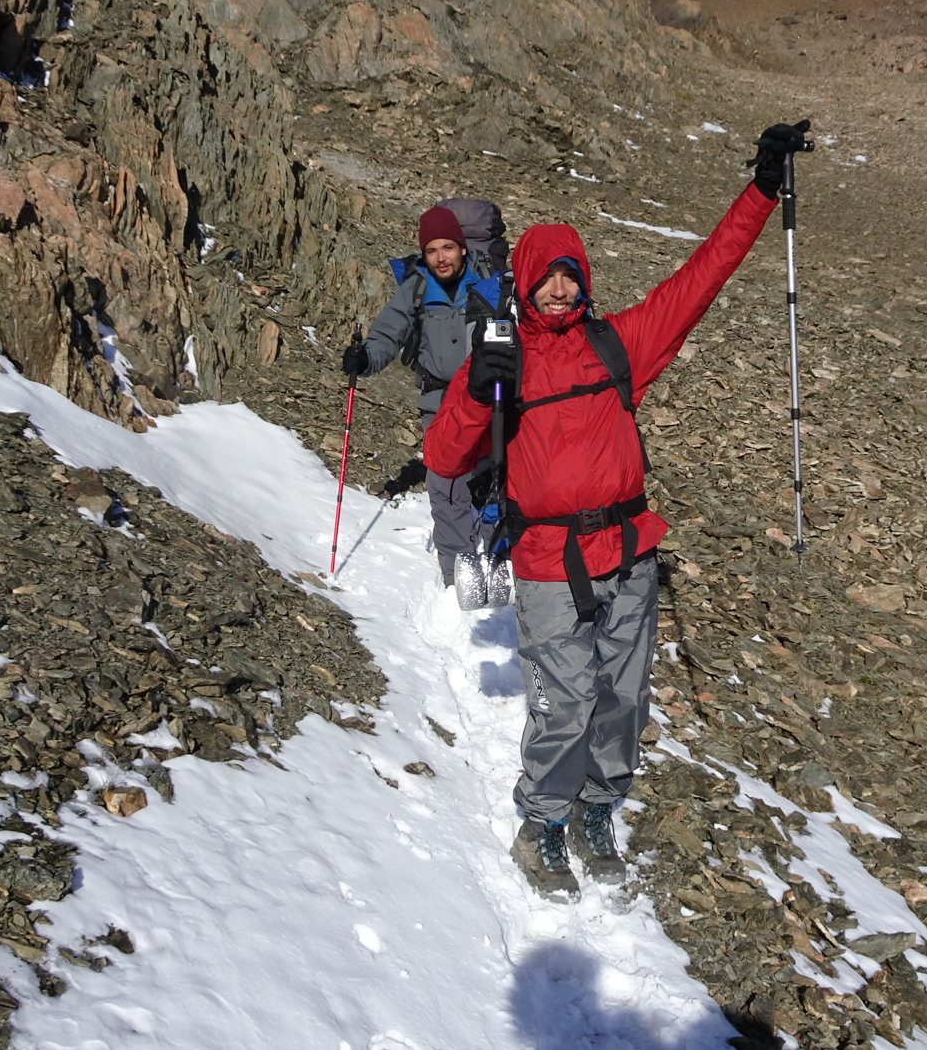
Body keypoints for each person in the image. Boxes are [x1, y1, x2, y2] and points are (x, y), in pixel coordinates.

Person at [423, 121, 813, 895]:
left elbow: (700, 278)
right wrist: (477, 384)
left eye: (570, 275)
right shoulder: (505, 360)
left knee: (625, 699)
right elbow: (445, 455)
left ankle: (600, 806)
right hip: (544, 563)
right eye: (546, 277)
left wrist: (763, 191)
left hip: (629, 554)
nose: (559, 289)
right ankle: (541, 826)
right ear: (523, 283)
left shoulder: (618, 345)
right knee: (564, 703)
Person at [343, 205, 503, 587]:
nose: (440, 258)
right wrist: (363, 359)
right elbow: (386, 335)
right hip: (440, 402)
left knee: (494, 481)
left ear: (463, 248)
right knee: (445, 484)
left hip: (488, 398)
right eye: (432, 250)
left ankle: (498, 560)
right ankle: (457, 576)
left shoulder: (490, 282)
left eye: (448, 247)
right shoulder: (415, 288)